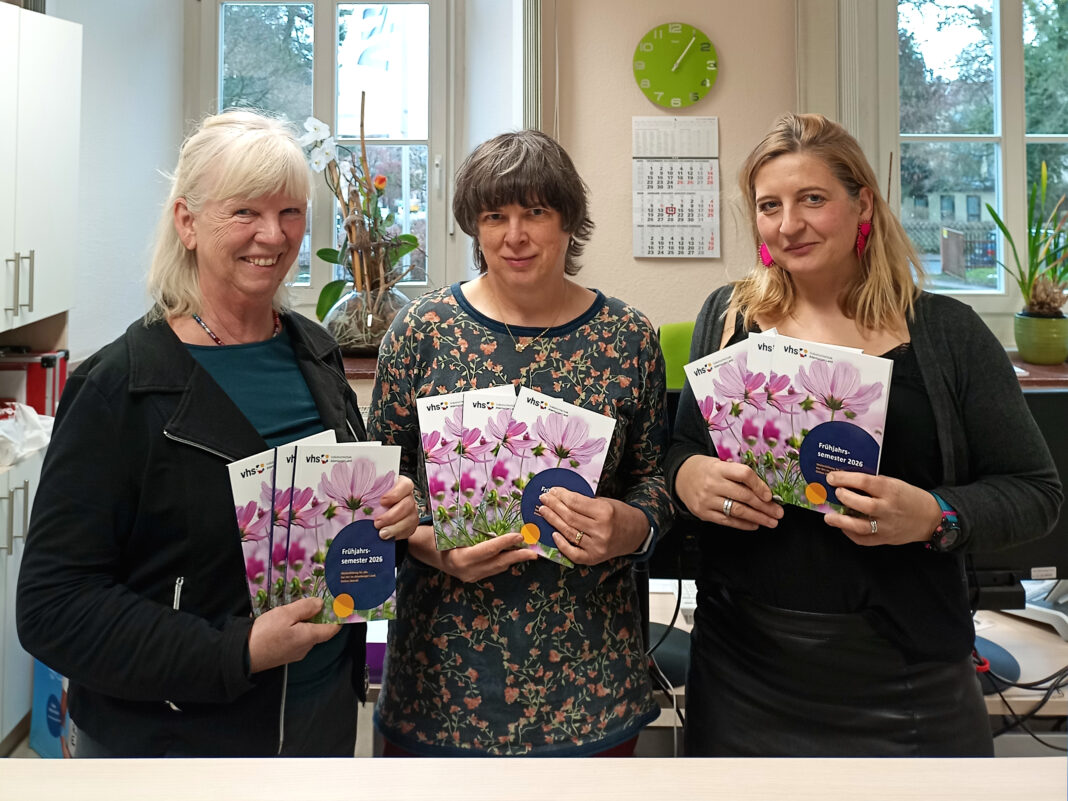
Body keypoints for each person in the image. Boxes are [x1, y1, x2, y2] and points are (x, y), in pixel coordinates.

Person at [16, 110, 418, 757]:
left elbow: (339, 529)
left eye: (289, 212)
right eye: (245, 212)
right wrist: (238, 649)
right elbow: (54, 607)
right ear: (187, 222)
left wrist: (390, 517)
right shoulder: (120, 387)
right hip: (176, 744)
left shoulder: (316, 353)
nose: (273, 234)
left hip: (319, 724)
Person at [665, 112, 1063, 757]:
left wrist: (933, 514)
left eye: (811, 199)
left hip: (910, 675)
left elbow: (1036, 493)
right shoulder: (728, 316)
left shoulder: (947, 334)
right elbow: (679, 449)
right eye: (769, 206)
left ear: (863, 204)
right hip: (743, 668)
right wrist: (689, 477)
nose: (788, 225)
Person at [369, 130, 672, 756]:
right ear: (474, 228)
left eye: (535, 212)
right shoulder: (422, 332)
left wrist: (630, 525)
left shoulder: (628, 337)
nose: (515, 236)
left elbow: (657, 479)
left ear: (569, 221)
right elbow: (380, 490)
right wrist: (431, 545)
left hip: (592, 686)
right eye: (494, 216)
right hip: (440, 685)